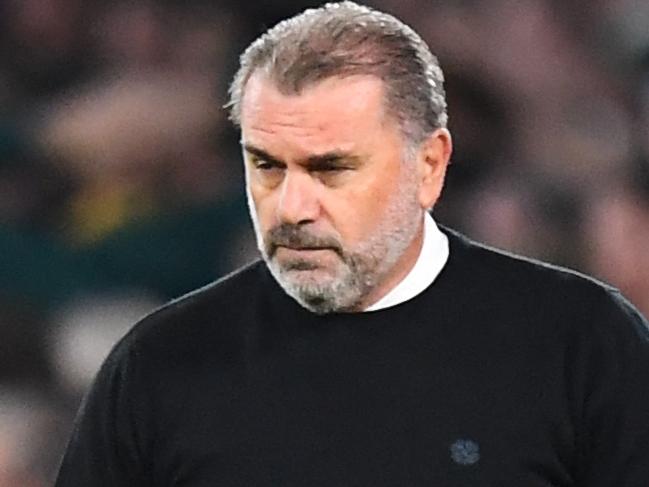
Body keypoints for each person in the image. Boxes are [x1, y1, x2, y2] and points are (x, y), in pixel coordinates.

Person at [55, 2, 649, 485]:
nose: (291, 207)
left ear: (429, 165)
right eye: (266, 166)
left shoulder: (582, 343)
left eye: (332, 169)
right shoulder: (161, 365)